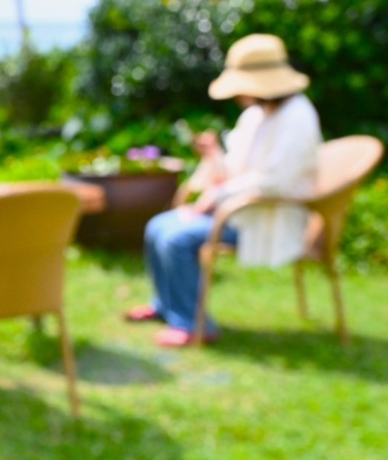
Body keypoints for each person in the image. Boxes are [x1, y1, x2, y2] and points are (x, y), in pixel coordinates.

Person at [126, 34, 321, 347]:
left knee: (177, 239)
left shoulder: (298, 117)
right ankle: (167, 306)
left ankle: (194, 323)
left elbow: (276, 182)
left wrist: (215, 198)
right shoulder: (256, 115)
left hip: (266, 218)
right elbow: (235, 171)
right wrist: (214, 154)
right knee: (157, 227)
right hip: (239, 211)